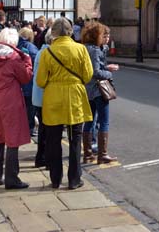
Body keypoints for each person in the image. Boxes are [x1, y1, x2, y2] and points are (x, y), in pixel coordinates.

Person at [37, 17, 93, 190]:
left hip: (53, 97)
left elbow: (40, 80)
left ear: (53, 33)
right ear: (70, 31)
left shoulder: (48, 52)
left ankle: (55, 178)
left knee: (53, 140)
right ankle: (74, 179)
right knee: (75, 139)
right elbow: (88, 75)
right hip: (75, 96)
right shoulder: (81, 49)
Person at [0, 28, 33, 190]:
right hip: (10, 104)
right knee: (12, 141)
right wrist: (27, 60)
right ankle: (12, 179)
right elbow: (26, 77)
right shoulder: (14, 58)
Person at [82, 22, 118, 164]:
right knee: (104, 121)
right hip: (98, 90)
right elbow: (96, 72)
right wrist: (109, 73)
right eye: (103, 35)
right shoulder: (95, 50)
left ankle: (87, 154)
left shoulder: (85, 48)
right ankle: (102, 155)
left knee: (89, 121)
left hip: (88, 89)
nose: (105, 38)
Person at [32, 30, 52, 169]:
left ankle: (40, 157)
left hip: (39, 96)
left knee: (43, 130)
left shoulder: (41, 52)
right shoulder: (47, 54)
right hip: (46, 96)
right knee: (47, 130)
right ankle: (43, 157)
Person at [16, 27, 39, 140]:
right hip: (29, 81)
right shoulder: (31, 47)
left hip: (18, 81)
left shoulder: (16, 45)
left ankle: (21, 127)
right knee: (30, 107)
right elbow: (36, 63)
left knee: (23, 106)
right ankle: (29, 129)